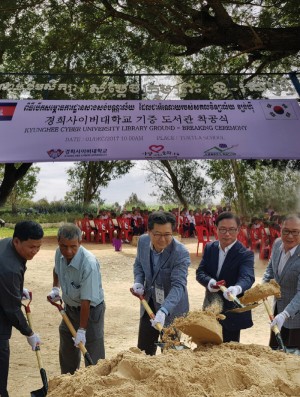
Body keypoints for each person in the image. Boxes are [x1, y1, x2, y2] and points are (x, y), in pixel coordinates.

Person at [47, 223, 105, 374]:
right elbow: (56, 269)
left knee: (92, 352)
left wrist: (82, 330)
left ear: (80, 242)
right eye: (63, 246)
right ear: (58, 242)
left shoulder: (89, 264)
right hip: (69, 309)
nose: (68, 251)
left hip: (90, 312)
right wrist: (55, 288)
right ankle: (69, 381)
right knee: (67, 345)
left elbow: (86, 301)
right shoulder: (58, 253)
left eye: (73, 246)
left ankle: (96, 384)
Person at [131, 211, 191, 355]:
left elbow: (178, 285)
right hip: (149, 303)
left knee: (170, 353)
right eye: (157, 234)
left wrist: (164, 310)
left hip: (172, 309)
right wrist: (138, 282)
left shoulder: (180, 252)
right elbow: (139, 264)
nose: (162, 239)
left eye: (167, 234)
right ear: (149, 231)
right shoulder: (143, 242)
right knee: (144, 350)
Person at [196, 212, 255, 343]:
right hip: (211, 308)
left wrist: (236, 289)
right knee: (207, 347)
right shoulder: (210, 248)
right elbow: (200, 272)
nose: (227, 234)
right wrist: (210, 283)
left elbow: (247, 277)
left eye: (231, 229)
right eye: (222, 229)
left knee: (228, 351)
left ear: (238, 230)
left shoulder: (245, 254)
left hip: (231, 311)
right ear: (215, 229)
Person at [0, 221, 44, 397]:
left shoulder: (6, 243)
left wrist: (17, 290)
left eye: (38, 247)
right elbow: (12, 310)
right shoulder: (8, 268)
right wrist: (29, 333)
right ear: (17, 241)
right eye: (31, 247)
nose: (34, 251)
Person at [262, 214, 300, 351]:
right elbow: (270, 269)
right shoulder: (277, 244)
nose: (290, 236)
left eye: (295, 232)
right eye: (286, 231)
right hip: (277, 311)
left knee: (292, 358)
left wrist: (285, 314)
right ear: (280, 230)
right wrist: (264, 285)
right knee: (275, 351)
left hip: (296, 318)